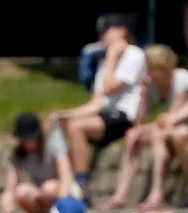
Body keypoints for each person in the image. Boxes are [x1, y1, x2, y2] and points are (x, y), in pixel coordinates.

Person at [52, 16, 146, 196]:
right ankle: (65, 178)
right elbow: (96, 103)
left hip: (123, 116)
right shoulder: (105, 62)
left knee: (77, 126)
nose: (102, 36)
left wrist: (111, 56)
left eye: (106, 31)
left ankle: (81, 183)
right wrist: (65, 113)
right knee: (64, 122)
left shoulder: (134, 55)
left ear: (121, 31)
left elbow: (110, 87)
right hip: (104, 114)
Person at [108, 44, 188, 211]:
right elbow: (140, 121)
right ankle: (121, 194)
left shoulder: (182, 79)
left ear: (164, 67)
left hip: (186, 130)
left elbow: (172, 119)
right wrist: (144, 93)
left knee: (157, 135)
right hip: (169, 129)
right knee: (132, 135)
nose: (149, 74)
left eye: (153, 69)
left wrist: (148, 127)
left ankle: (157, 193)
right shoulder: (153, 84)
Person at [3, 111, 65, 213]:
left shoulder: (53, 143)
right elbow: (10, 187)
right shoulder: (18, 154)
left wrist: (64, 205)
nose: (27, 142)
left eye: (30, 138)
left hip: (61, 192)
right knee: (21, 192)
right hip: (40, 193)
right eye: (24, 139)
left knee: (48, 188)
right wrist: (7, 206)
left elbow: (67, 177)